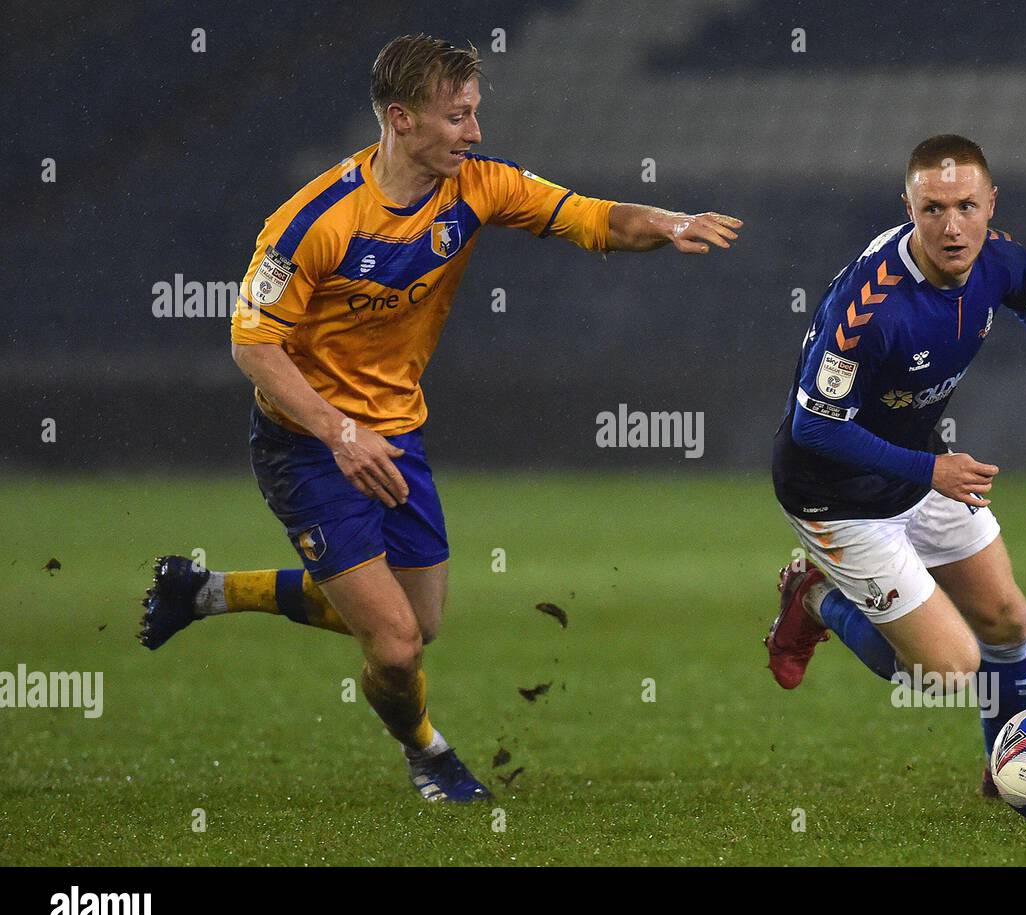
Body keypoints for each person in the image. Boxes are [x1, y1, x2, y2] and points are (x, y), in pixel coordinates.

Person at [139, 34, 743, 803]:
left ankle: (204, 592)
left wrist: (663, 221)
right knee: (393, 648)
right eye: (458, 117)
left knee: (418, 625)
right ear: (401, 119)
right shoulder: (314, 220)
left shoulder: (478, 187)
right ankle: (427, 752)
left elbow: (588, 217)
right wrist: (338, 432)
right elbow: (253, 345)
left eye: (475, 113)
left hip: (397, 435)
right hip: (308, 444)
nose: (476, 132)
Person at [765, 134, 1026, 795]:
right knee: (948, 672)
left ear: (991, 203)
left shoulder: (997, 257)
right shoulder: (871, 308)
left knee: (1006, 620)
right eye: (932, 209)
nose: (952, 227)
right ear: (908, 207)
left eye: (966, 206)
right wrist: (931, 473)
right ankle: (813, 596)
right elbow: (813, 428)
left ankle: (1004, 769)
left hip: (919, 465)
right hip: (833, 490)